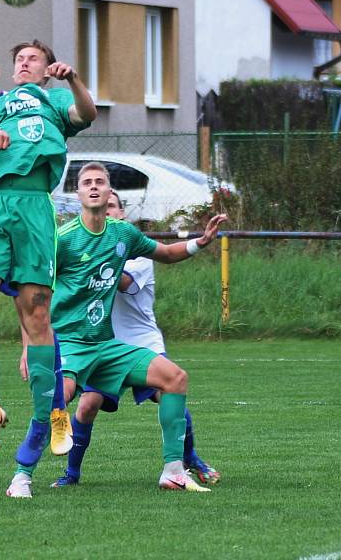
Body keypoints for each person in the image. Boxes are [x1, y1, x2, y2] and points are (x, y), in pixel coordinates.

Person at [5, 161, 226, 497]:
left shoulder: (123, 234)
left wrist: (201, 242)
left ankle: (174, 470)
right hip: (68, 343)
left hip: (106, 344)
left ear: (110, 192)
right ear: (78, 193)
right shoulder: (62, 241)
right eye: (86, 182)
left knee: (175, 378)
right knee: (55, 399)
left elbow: (165, 252)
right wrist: (28, 346)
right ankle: (21, 477)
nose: (93, 186)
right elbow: (30, 295)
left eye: (100, 182)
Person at [0, 40, 97, 470]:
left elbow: (87, 115)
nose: (24, 63)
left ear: (48, 67)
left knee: (36, 314)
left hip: (34, 209)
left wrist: (74, 80)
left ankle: (51, 414)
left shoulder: (55, 103)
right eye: (19, 60)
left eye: (33, 58)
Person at [49, 189, 220, 489]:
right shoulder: (86, 240)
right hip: (101, 342)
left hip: (141, 343)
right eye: (105, 205)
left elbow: (121, 280)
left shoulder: (132, 249)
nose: (108, 210)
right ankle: (71, 474)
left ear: (121, 213)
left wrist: (89, 261)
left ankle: (188, 458)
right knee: (87, 405)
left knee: (169, 389)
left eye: (113, 206)